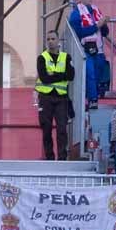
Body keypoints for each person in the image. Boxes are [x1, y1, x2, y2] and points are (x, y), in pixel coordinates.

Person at [35, 30, 75, 161]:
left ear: (58, 41)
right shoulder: (42, 58)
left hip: (61, 98)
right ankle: (49, 156)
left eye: (53, 39)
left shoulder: (66, 57)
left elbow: (71, 76)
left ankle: (62, 157)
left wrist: (53, 75)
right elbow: (44, 78)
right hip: (45, 97)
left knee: (62, 129)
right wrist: (61, 75)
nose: (50, 41)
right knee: (46, 128)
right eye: (48, 39)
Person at [69, 0, 110, 108]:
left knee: (98, 74)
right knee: (90, 74)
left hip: (99, 48)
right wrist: (97, 25)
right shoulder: (76, 13)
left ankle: (93, 97)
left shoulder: (96, 10)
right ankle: (92, 99)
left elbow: (105, 32)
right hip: (85, 49)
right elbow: (79, 32)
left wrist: (103, 24)